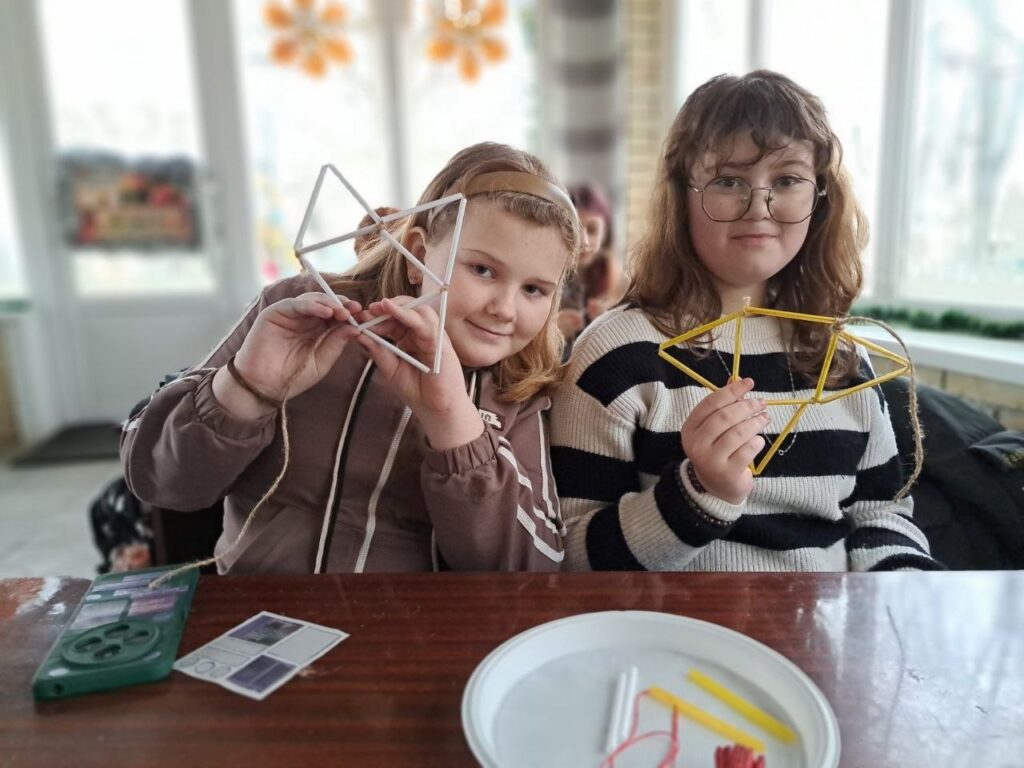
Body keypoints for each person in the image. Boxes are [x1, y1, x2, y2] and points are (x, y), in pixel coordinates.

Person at [122, 142, 580, 574]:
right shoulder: (300, 313)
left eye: (534, 289)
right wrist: (247, 388)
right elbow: (161, 483)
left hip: (420, 623)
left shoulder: (518, 387)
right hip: (261, 604)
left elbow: (532, 569)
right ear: (418, 255)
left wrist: (453, 421)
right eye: (482, 270)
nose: (504, 309)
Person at [550, 71, 941, 572]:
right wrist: (699, 494)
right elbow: (570, 556)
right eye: (728, 181)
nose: (759, 207)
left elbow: (881, 514)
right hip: (668, 622)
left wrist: (905, 586)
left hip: (825, 621)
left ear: (819, 196)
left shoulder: (842, 359)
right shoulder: (617, 354)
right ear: (682, 195)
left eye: (787, 180)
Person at [557, 183, 623, 343]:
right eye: (574, 228)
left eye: (592, 230)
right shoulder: (543, 268)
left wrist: (611, 320)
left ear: (605, 233)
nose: (584, 242)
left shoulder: (612, 272)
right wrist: (551, 332)